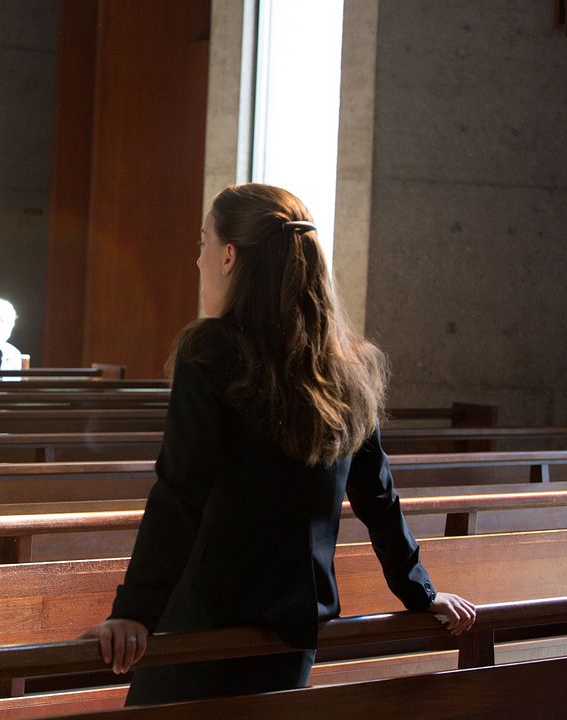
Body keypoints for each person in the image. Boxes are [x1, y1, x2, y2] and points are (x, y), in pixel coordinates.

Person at [82, 183, 476, 704]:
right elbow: (378, 495)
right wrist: (419, 591)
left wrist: (135, 610)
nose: (196, 260)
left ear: (228, 256)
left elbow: (180, 493)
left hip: (206, 623)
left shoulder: (210, 353)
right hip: (294, 628)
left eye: (203, 244)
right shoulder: (347, 366)